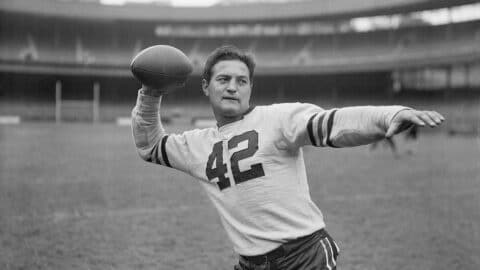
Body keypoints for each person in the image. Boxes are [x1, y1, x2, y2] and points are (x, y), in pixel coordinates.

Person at [131, 45, 444, 270]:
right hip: (250, 263)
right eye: (223, 79)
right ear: (205, 86)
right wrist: (150, 92)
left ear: (251, 88)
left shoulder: (279, 118)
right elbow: (150, 146)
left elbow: (335, 123)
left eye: (241, 81)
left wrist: (389, 116)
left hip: (304, 255)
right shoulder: (197, 145)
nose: (232, 88)